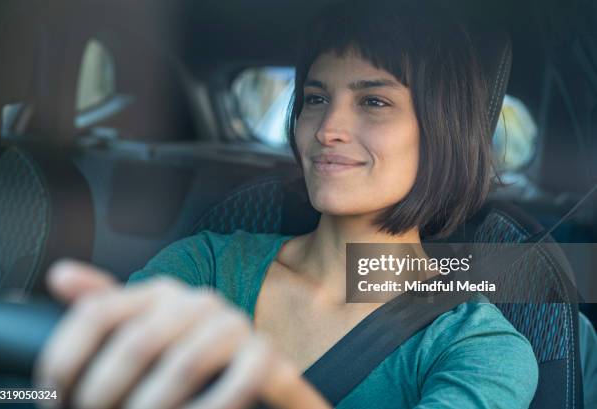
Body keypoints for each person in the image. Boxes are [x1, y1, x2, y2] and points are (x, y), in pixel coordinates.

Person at [35, 0, 539, 408]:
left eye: (373, 101)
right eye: (316, 99)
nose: (327, 130)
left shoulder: (477, 348)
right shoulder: (206, 264)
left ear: (441, 136)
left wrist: (270, 386)